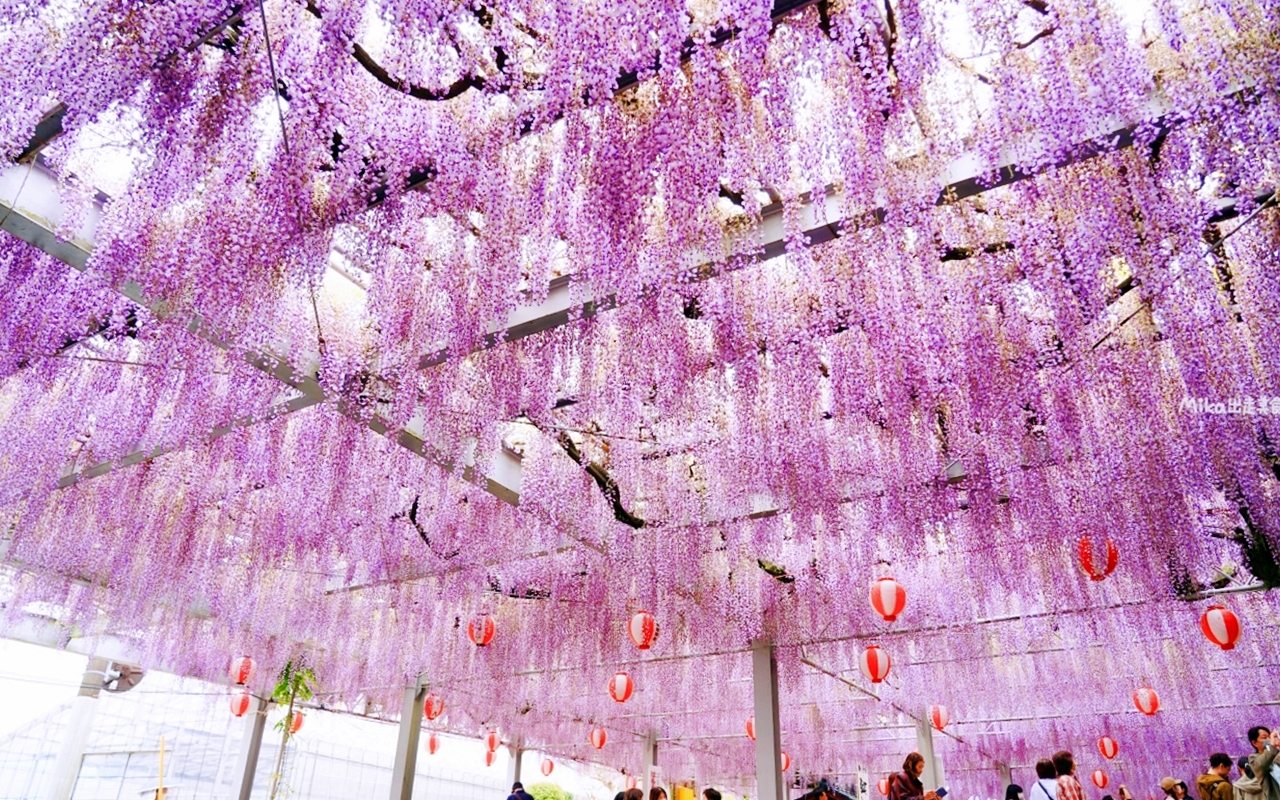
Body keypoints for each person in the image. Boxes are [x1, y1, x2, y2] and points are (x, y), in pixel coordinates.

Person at [1247, 727, 1280, 800]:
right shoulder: (1253, 758)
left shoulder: (1277, 755)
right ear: (1254, 743)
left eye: (1270, 737)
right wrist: (1272, 746)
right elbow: (1261, 764)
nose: (1269, 740)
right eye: (1264, 737)